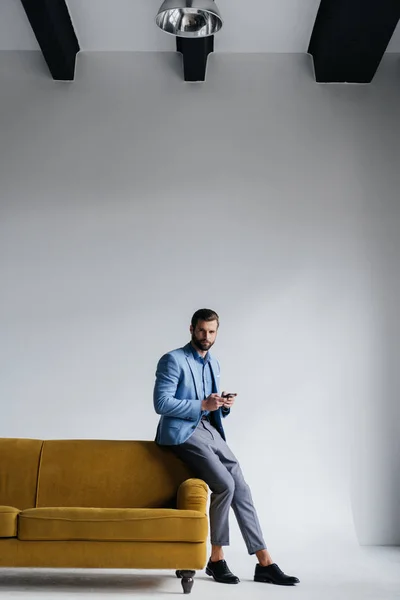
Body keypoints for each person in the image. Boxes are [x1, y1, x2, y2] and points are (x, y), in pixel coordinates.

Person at [153, 308, 300, 586]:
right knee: (225, 485)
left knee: (241, 486)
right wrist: (201, 405)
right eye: (201, 331)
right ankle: (216, 559)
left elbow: (210, 405)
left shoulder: (214, 363)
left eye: (211, 332)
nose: (206, 336)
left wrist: (222, 405)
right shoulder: (172, 360)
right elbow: (161, 404)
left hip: (210, 429)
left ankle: (265, 562)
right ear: (191, 329)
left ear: (216, 332)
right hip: (182, 433)